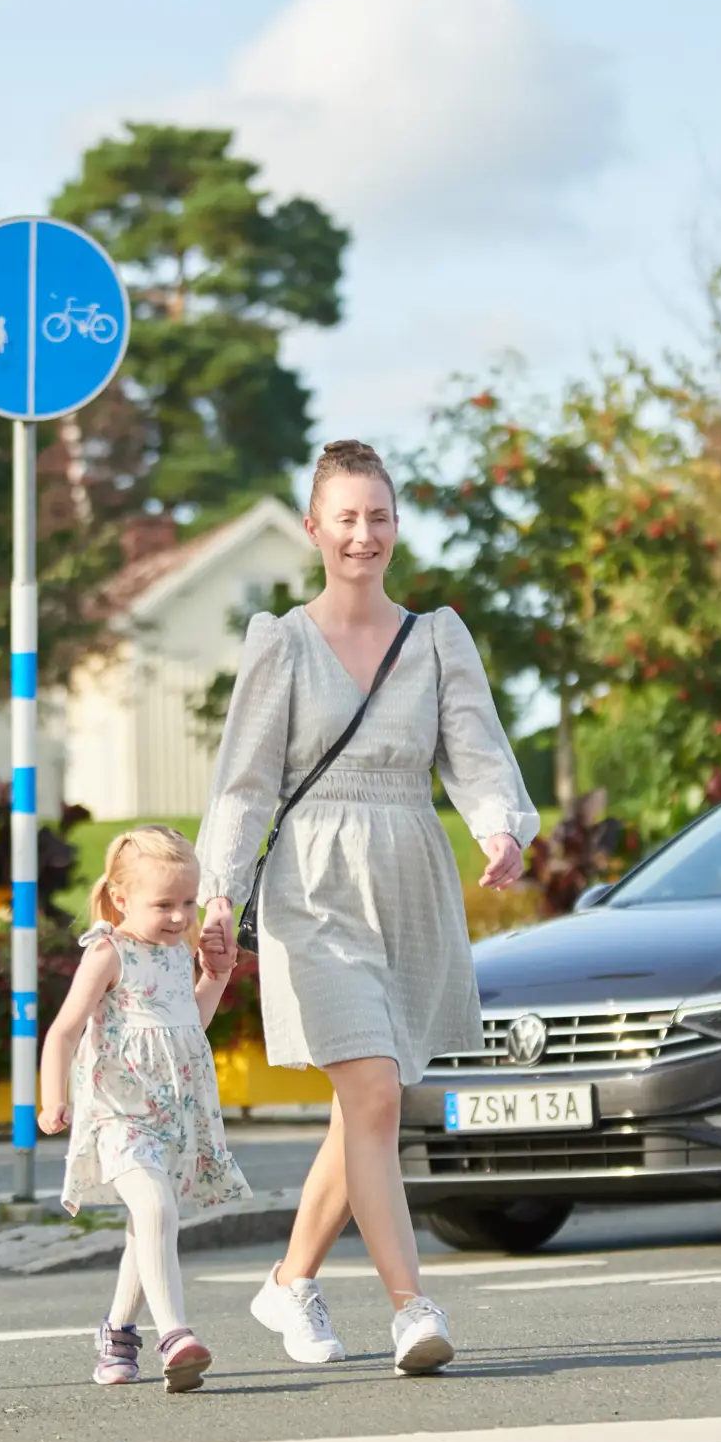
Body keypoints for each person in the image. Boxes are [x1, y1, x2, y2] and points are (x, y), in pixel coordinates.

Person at [197, 439, 538, 1376]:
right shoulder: (281, 644)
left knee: (368, 1107)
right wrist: (218, 892)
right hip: (314, 888)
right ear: (313, 528)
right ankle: (410, 1307)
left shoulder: (436, 639)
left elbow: (474, 749)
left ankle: (290, 1282)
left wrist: (498, 828)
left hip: (410, 877)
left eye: (378, 516)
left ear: (395, 526)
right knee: (377, 1092)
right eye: (345, 517)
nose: (363, 534)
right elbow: (243, 784)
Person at [37, 825, 248, 1392]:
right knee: (156, 1210)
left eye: (188, 902)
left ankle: (117, 1333)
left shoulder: (178, 955)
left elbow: (189, 1023)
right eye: (164, 904)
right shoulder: (109, 952)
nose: (181, 917)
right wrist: (52, 1096)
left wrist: (216, 975)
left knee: (147, 1220)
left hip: (172, 1114)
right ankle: (175, 1336)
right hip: (118, 1112)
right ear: (121, 898)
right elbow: (64, 1030)